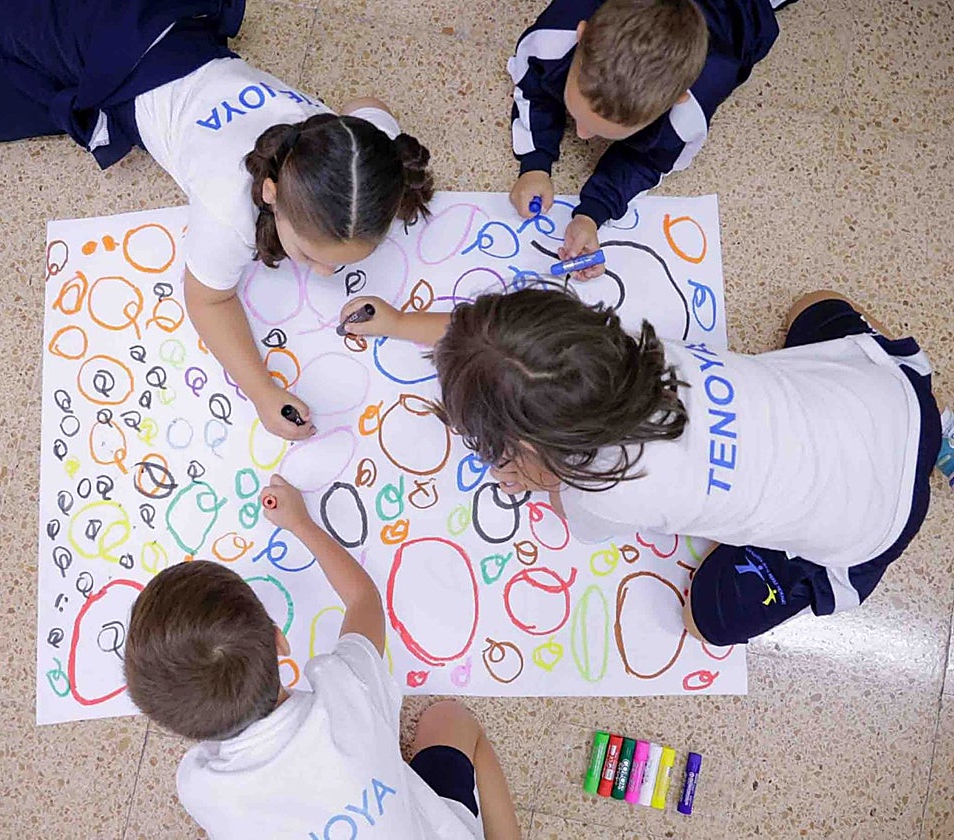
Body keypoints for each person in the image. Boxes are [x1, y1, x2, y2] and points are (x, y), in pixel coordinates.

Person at [0, 0, 434, 440]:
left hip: (168, 22)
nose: (325, 275)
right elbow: (208, 299)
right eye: (313, 256)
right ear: (269, 193)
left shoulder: (356, 146)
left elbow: (371, 106)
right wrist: (262, 390)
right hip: (94, 49)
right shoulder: (231, 204)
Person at [336, 289, 940, 646]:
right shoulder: (614, 344)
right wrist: (394, 323)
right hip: (898, 401)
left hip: (871, 531)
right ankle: (937, 432)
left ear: (542, 453)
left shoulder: (606, 494)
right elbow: (496, 347)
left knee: (708, 621)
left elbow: (564, 505)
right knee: (816, 307)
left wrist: (530, 478)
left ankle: (815, 564)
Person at [123, 475, 521, 839]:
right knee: (449, 718)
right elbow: (363, 600)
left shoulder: (198, 787)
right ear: (280, 641)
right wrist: (301, 524)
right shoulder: (347, 691)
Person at [506, 0, 782, 280]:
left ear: (677, 101)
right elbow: (533, 86)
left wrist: (593, 211)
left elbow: (647, 162)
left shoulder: (691, 112)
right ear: (581, 34)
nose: (580, 134)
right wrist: (535, 162)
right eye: (578, 116)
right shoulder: (552, 36)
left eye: (600, 129)